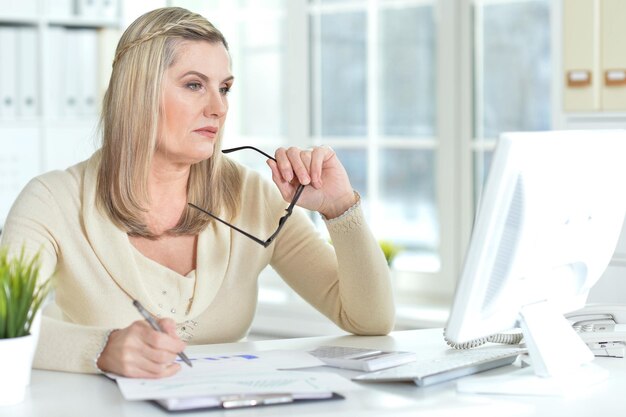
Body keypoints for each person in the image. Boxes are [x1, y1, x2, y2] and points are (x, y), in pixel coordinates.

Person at [0, 7, 394, 378]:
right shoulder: (52, 202)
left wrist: (340, 208)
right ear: (137, 93)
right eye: (194, 85)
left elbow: (370, 320)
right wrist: (100, 348)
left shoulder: (252, 196)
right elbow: (4, 329)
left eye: (224, 88)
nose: (218, 108)